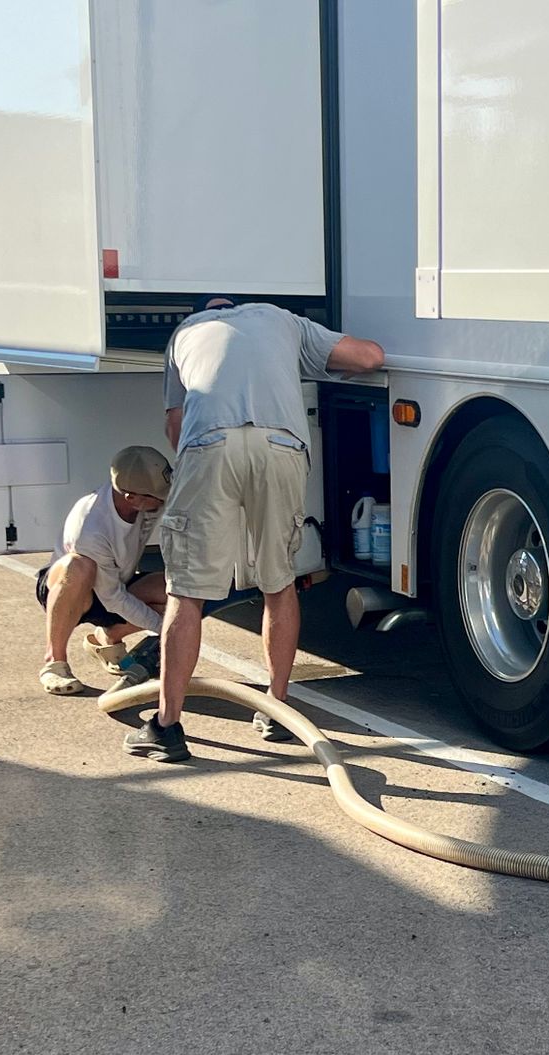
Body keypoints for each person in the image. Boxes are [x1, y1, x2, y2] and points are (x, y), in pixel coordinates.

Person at [124, 297, 385, 762]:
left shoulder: (185, 332)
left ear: (208, 311)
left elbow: (176, 424)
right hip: (280, 445)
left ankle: (166, 727)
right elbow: (369, 358)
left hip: (210, 445)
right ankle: (277, 708)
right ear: (242, 306)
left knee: (187, 593)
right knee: (277, 583)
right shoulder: (282, 321)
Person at [36, 446, 172, 696]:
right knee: (78, 566)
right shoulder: (91, 527)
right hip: (77, 592)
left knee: (177, 591)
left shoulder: (141, 499)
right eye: (159, 496)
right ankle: (54, 662)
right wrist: (167, 630)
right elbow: (113, 598)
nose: (164, 500)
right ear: (132, 497)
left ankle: (107, 638)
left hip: (116, 583)